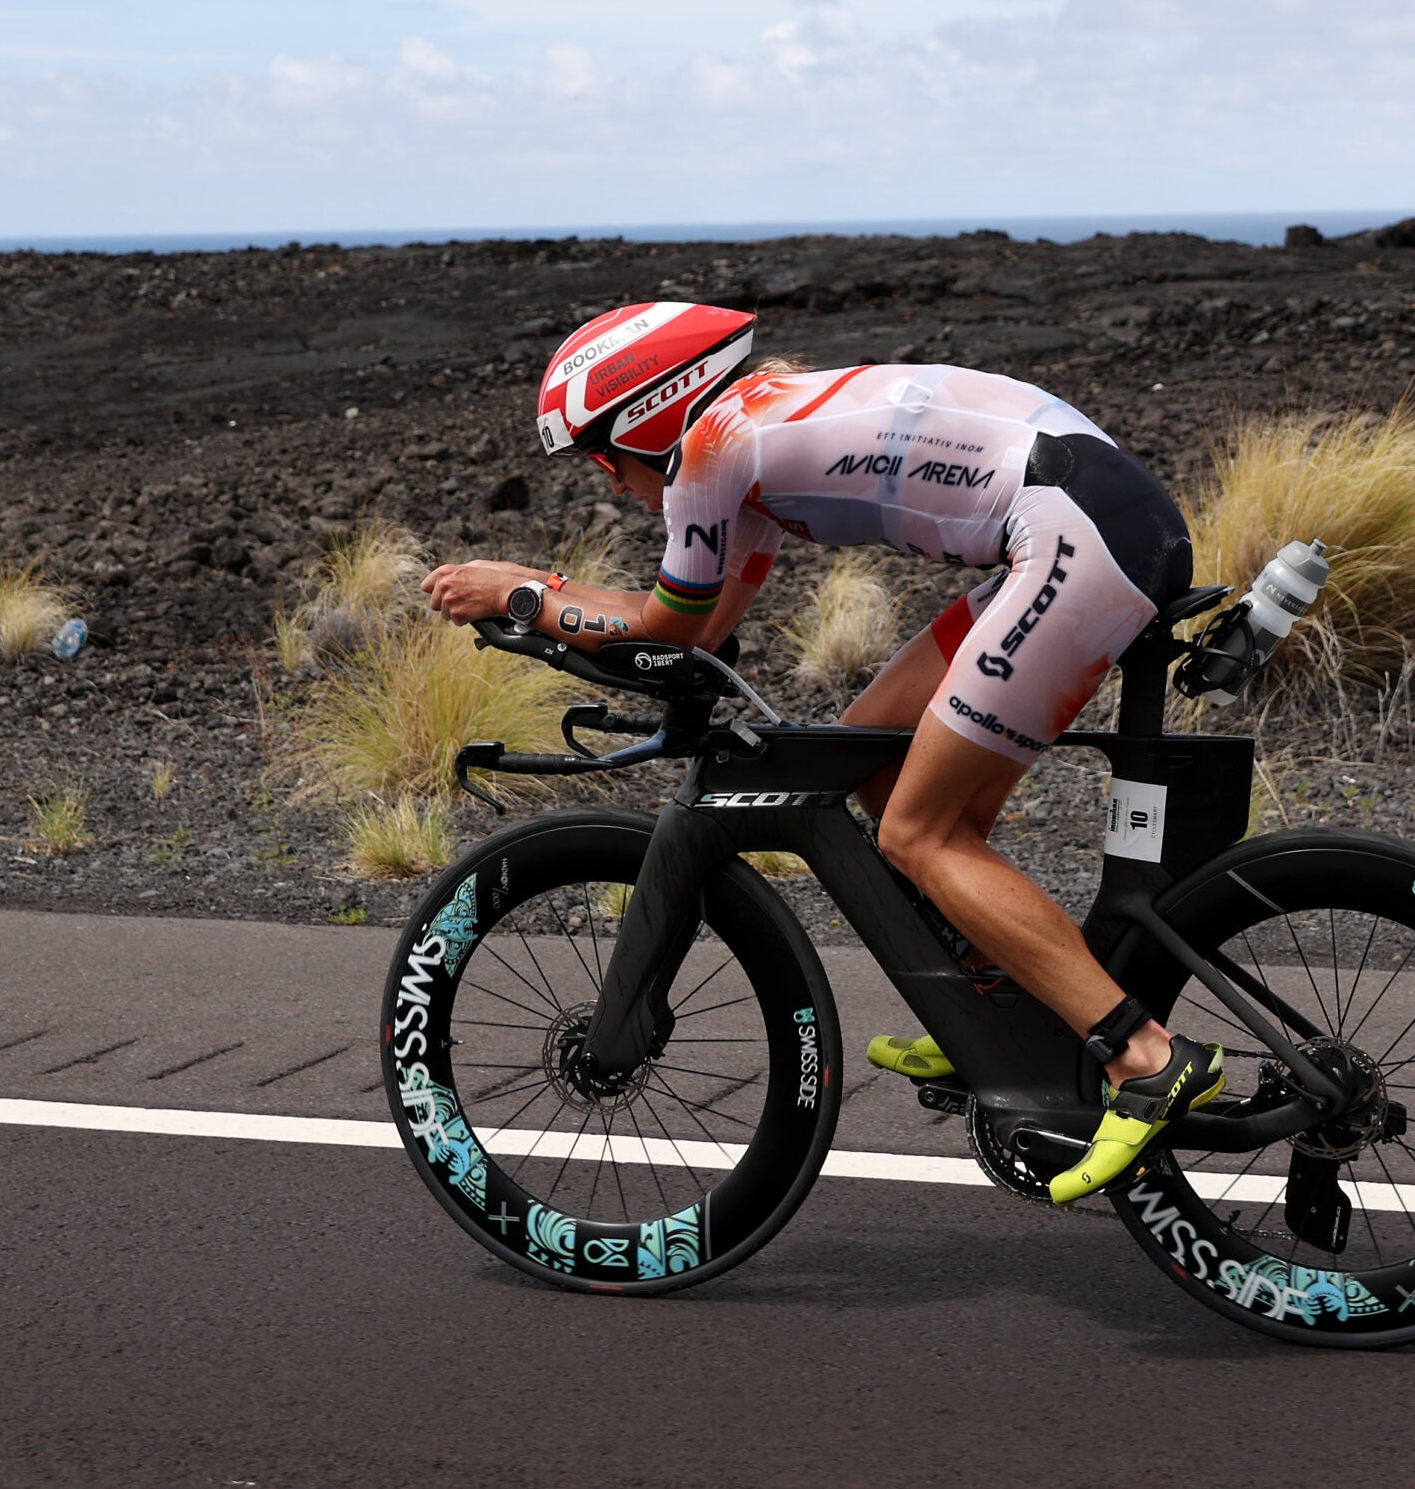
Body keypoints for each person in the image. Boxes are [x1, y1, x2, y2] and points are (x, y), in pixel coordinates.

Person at [420, 301, 1221, 1202]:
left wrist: (524, 591)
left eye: (603, 455)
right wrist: (566, 627)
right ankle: (1005, 1007)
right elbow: (696, 639)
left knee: (922, 835)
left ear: (650, 414)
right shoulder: (751, 437)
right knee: (871, 758)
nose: (609, 481)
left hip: (1075, 536)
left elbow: (658, 621)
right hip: (1090, 518)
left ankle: (1144, 1055)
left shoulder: (712, 449)